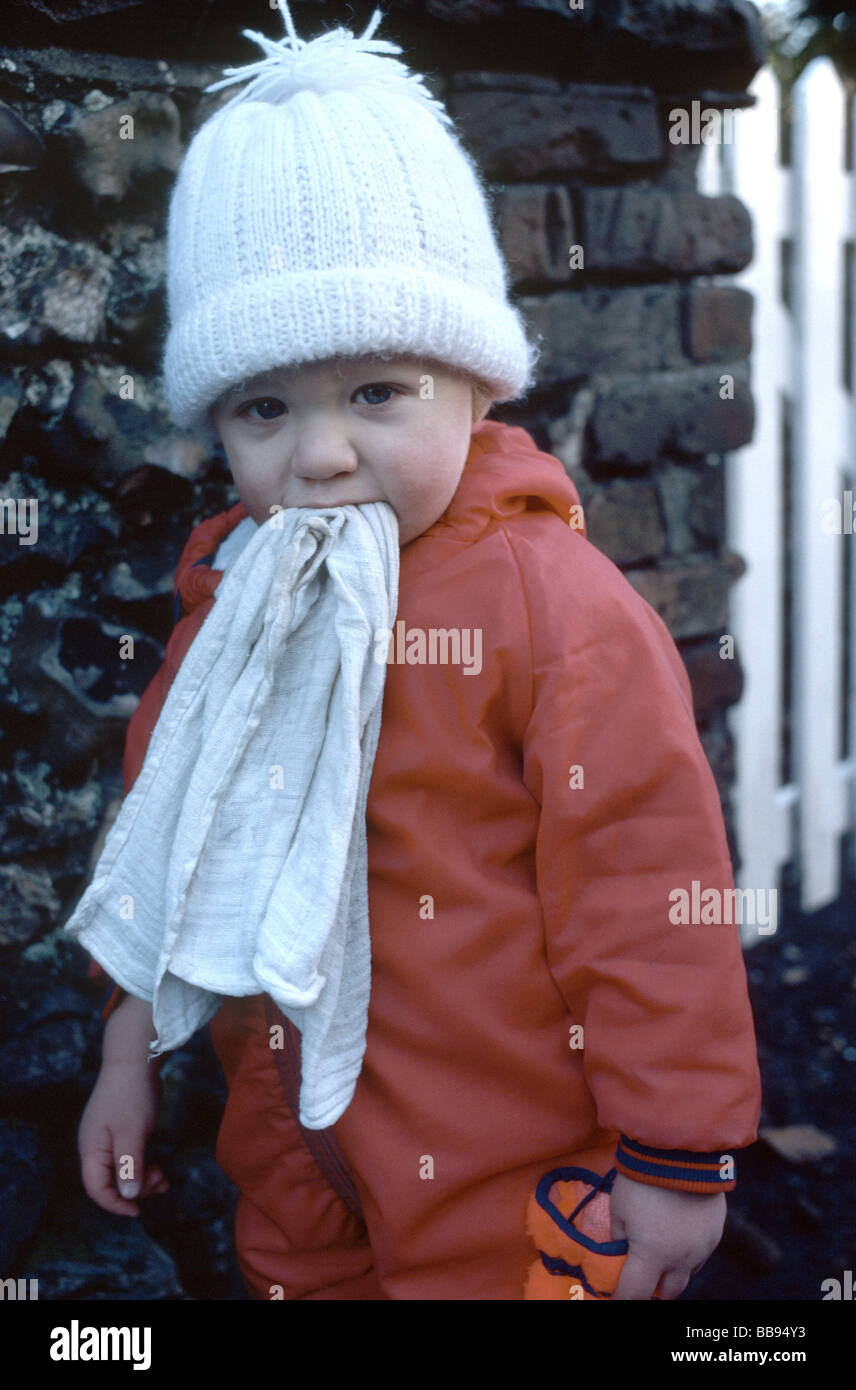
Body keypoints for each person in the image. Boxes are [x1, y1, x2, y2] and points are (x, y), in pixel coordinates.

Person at [68, 2, 761, 1301]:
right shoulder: (235, 599)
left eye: (375, 394)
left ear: (473, 380)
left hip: (505, 1174)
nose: (320, 453)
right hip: (290, 1157)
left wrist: (677, 1150)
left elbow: (648, 883)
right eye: (265, 408)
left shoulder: (547, 604)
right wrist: (125, 1050)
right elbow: (167, 826)